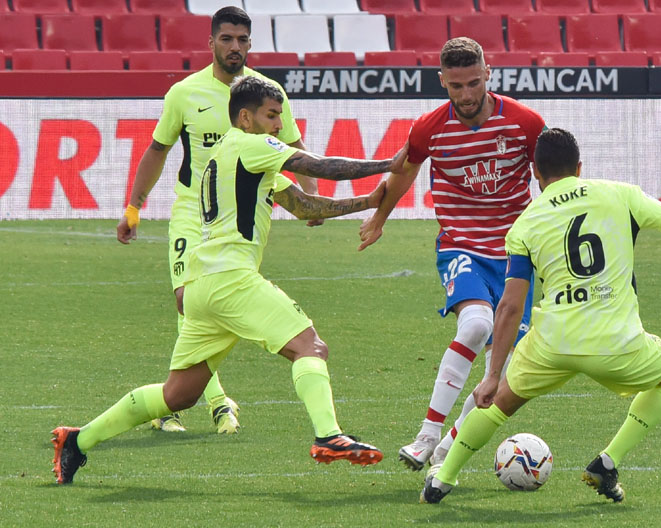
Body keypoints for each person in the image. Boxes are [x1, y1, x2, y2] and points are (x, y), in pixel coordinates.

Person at [51, 75, 407, 485]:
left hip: (202, 287)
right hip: (231, 279)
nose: (279, 124)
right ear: (245, 117)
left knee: (178, 394)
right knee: (310, 346)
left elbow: (304, 206)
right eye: (271, 115)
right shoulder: (252, 145)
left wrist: (367, 202)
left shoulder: (226, 155)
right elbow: (316, 166)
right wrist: (387, 164)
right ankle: (329, 435)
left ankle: (78, 440)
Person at [420, 128, 661, 504]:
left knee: (498, 401)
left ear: (536, 173)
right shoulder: (620, 194)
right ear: (580, 167)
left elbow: (510, 306)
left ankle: (442, 480)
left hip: (552, 344)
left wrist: (491, 376)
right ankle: (608, 461)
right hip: (615, 343)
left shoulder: (524, 224)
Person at [116, 6, 322, 434]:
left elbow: (294, 146)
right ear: (211, 42)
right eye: (226, 39)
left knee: (211, 302)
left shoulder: (266, 93)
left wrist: (312, 198)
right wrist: (134, 208)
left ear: (250, 44)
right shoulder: (185, 93)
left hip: (235, 216)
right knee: (185, 299)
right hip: (192, 212)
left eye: (242, 40)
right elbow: (158, 149)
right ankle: (216, 402)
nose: (234, 47)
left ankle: (175, 400)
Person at [358, 37, 546, 471]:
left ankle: (447, 450)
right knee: (477, 324)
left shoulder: (525, 123)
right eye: (456, 85)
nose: (466, 94)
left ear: (489, 74)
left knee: (504, 366)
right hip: (462, 245)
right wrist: (380, 218)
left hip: (517, 255)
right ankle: (426, 436)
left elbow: (549, 180)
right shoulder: (429, 128)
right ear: (442, 80)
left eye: (474, 83)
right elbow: (404, 171)